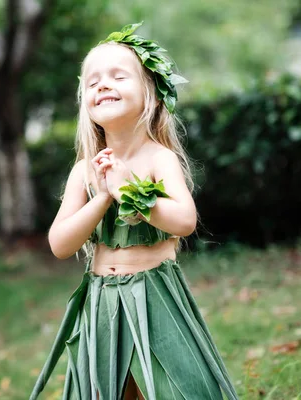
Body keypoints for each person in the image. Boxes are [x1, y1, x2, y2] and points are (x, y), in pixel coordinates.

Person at [30, 23, 239, 400]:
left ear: (152, 96)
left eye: (117, 76)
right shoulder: (85, 169)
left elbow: (185, 221)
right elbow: (60, 244)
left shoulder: (160, 158)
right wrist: (103, 197)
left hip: (153, 295)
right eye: (92, 81)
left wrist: (130, 191)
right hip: (102, 300)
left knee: (167, 389)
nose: (102, 85)